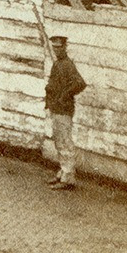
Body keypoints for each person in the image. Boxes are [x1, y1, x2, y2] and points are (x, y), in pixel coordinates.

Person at [44, 34, 86, 189]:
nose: (56, 50)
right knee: (59, 142)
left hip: (63, 109)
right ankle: (63, 172)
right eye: (54, 47)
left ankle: (68, 178)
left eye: (59, 47)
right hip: (56, 108)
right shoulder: (58, 64)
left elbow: (80, 83)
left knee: (65, 143)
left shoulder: (67, 64)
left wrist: (64, 96)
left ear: (65, 47)